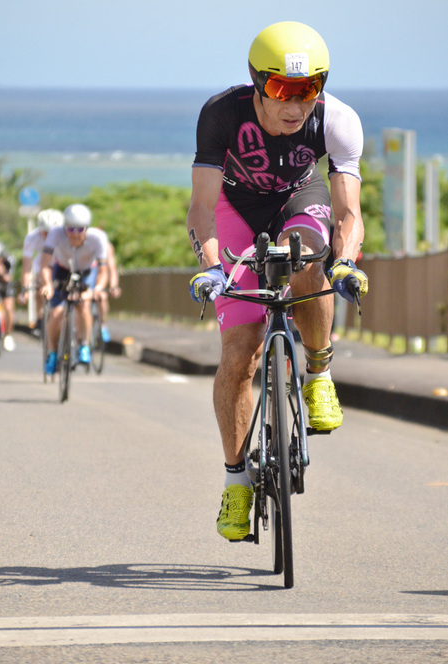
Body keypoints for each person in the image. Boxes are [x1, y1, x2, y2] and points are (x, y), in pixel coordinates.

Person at [187, 21, 368, 540]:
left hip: (299, 199)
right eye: (281, 90)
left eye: (308, 88)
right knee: (240, 349)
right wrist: (211, 270)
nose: (295, 104)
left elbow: (348, 212)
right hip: (234, 208)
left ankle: (318, 373)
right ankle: (237, 481)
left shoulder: (337, 120)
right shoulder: (221, 114)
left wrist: (347, 261)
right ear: (256, 82)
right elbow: (201, 205)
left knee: (310, 258)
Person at [39, 203, 109, 374]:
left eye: (80, 230)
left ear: (87, 228)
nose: (75, 235)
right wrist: (47, 284)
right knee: (55, 314)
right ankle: (53, 353)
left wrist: (97, 289)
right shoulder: (55, 234)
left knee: (83, 305)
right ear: (64, 228)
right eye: (70, 230)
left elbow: (103, 271)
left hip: (86, 272)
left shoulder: (97, 238)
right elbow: (44, 264)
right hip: (62, 270)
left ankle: (83, 344)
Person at [18, 208, 64, 335]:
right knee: (40, 286)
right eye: (45, 233)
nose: (49, 237)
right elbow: (27, 267)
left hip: (59, 261)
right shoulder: (31, 237)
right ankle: (40, 319)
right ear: (39, 230)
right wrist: (25, 288)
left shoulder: (64, 236)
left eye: (52, 233)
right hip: (42, 264)